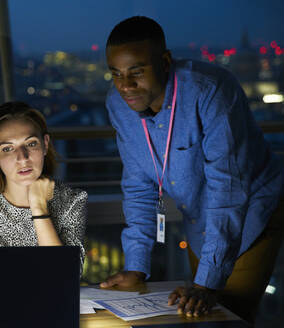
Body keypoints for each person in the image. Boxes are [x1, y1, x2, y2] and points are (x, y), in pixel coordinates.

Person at [100, 16, 283, 323]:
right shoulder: (118, 104)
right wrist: (136, 265)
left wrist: (206, 283)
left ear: (165, 61)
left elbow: (228, 189)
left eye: (137, 72)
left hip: (251, 210)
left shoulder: (211, 90)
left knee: (226, 315)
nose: (125, 86)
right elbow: (138, 186)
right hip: (199, 220)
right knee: (196, 313)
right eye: (116, 74)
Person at [0, 101, 87, 267]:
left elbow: (66, 273)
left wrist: (39, 207)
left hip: (49, 294)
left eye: (31, 144)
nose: (22, 158)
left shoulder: (72, 201)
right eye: (8, 148)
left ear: (45, 144)